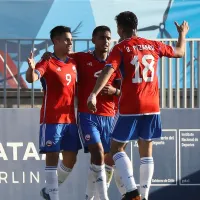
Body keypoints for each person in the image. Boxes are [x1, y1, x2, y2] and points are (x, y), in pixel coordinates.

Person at [87, 11, 189, 200]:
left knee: (116, 148)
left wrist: (93, 93)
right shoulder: (154, 44)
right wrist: (182, 33)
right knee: (146, 151)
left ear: (120, 28)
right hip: (153, 105)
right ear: (136, 26)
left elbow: (108, 71)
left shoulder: (121, 47)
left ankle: (133, 191)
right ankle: (144, 195)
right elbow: (181, 52)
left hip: (131, 105)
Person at [42, 26, 126, 200]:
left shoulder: (116, 62)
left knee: (105, 159)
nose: (106, 42)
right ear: (94, 40)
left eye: (109, 38)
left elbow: (126, 90)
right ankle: (103, 197)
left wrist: (115, 92)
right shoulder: (81, 58)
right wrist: (47, 55)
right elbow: (60, 58)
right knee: (98, 153)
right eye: (102, 38)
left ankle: (77, 194)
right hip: (87, 115)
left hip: (110, 116)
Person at [26, 26, 82, 200]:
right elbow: (32, 77)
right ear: (55, 41)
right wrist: (31, 68)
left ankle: (49, 190)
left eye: (71, 40)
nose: (70, 43)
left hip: (70, 119)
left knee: (71, 159)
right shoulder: (47, 61)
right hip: (52, 118)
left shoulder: (74, 62)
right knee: (52, 155)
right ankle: (54, 195)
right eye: (66, 40)